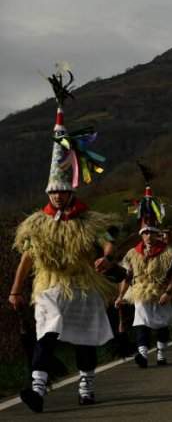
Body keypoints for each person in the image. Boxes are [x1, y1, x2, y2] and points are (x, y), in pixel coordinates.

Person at [9, 65, 115, 412]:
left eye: (62, 192)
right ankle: (38, 388)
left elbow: (106, 241)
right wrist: (15, 289)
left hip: (82, 285)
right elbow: (27, 256)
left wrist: (106, 256)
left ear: (70, 192)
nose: (57, 196)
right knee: (48, 331)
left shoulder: (87, 219)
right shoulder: (37, 224)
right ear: (48, 193)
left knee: (84, 338)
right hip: (51, 285)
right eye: (52, 192)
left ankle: (86, 385)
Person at [116, 166, 172, 368]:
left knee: (162, 324)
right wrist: (121, 295)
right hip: (140, 291)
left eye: (152, 233)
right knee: (141, 323)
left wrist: (169, 292)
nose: (148, 237)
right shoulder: (132, 254)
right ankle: (143, 354)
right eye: (145, 233)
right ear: (141, 234)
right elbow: (128, 276)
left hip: (161, 290)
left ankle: (161, 353)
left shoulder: (167, 252)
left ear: (157, 234)